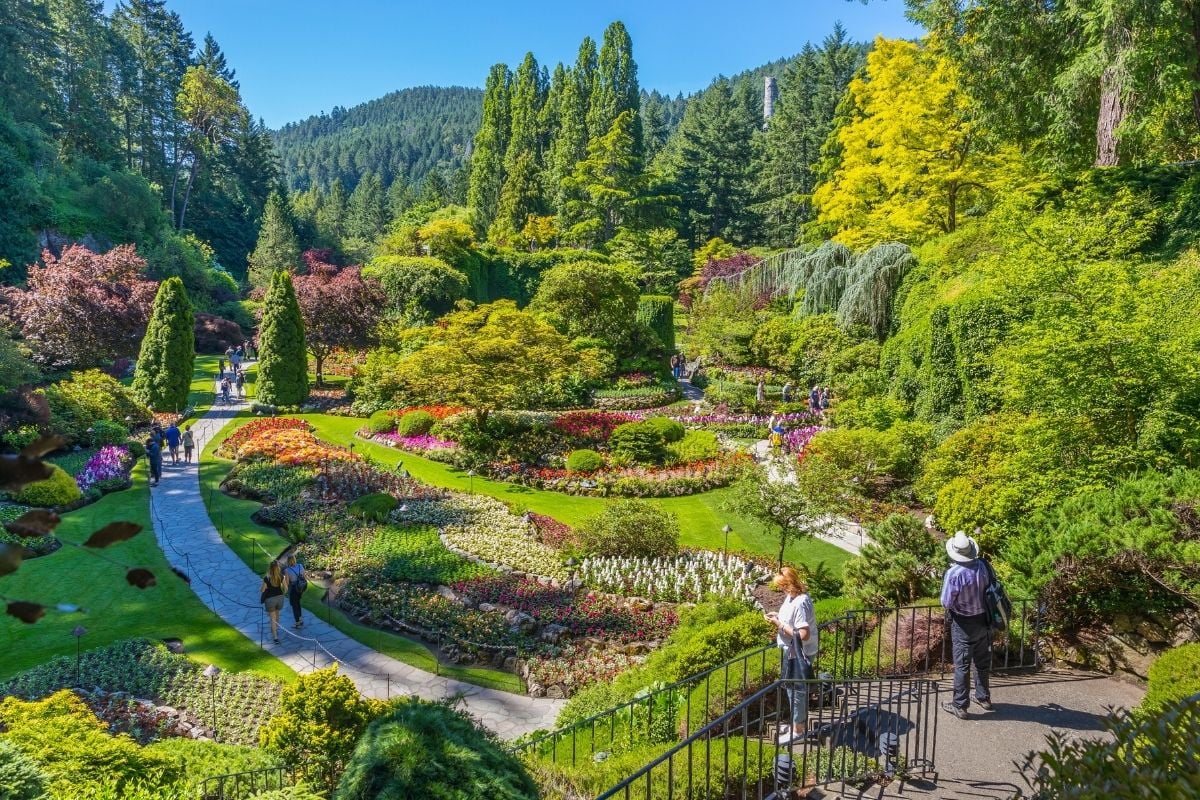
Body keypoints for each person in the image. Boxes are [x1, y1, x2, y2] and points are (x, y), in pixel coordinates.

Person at [940, 530, 993, 719]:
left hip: (963, 623)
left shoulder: (954, 574)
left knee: (962, 664)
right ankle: (983, 697)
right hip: (985, 620)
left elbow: (946, 602)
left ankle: (960, 705)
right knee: (981, 662)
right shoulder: (983, 566)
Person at [765, 566, 818, 745]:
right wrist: (777, 617)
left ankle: (798, 731)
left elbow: (803, 634)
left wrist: (779, 625)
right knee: (791, 689)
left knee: (796, 691)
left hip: (799, 653)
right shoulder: (791, 597)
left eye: (782, 586)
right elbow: (790, 619)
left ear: (790, 583)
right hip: (790, 652)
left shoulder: (801, 601)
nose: (780, 589)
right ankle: (796, 724)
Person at [260, 560, 290, 644]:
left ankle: (275, 637)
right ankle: (276, 629)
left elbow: (262, 590)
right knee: (277, 615)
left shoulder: (267, 578)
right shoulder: (281, 576)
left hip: (270, 599)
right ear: (278, 568)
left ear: (270, 568)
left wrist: (265, 588)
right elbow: (286, 588)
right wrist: (282, 594)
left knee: (272, 618)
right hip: (280, 598)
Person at [283, 553, 307, 628]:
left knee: (294, 605)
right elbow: (304, 576)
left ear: (288, 561)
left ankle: (297, 622)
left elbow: (286, 583)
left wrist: (285, 590)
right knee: (298, 603)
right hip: (301, 588)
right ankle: (300, 619)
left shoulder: (287, 570)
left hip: (294, 589)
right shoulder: (300, 566)